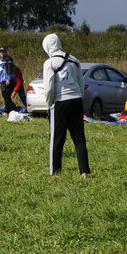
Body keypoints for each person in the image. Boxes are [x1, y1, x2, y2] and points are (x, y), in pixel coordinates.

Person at [41, 33, 90, 177]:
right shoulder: (74, 60)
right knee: (79, 138)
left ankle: (54, 172)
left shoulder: (49, 63)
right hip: (76, 100)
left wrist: (49, 104)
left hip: (60, 103)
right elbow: (81, 83)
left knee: (56, 139)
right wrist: (80, 100)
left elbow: (49, 87)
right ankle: (84, 171)